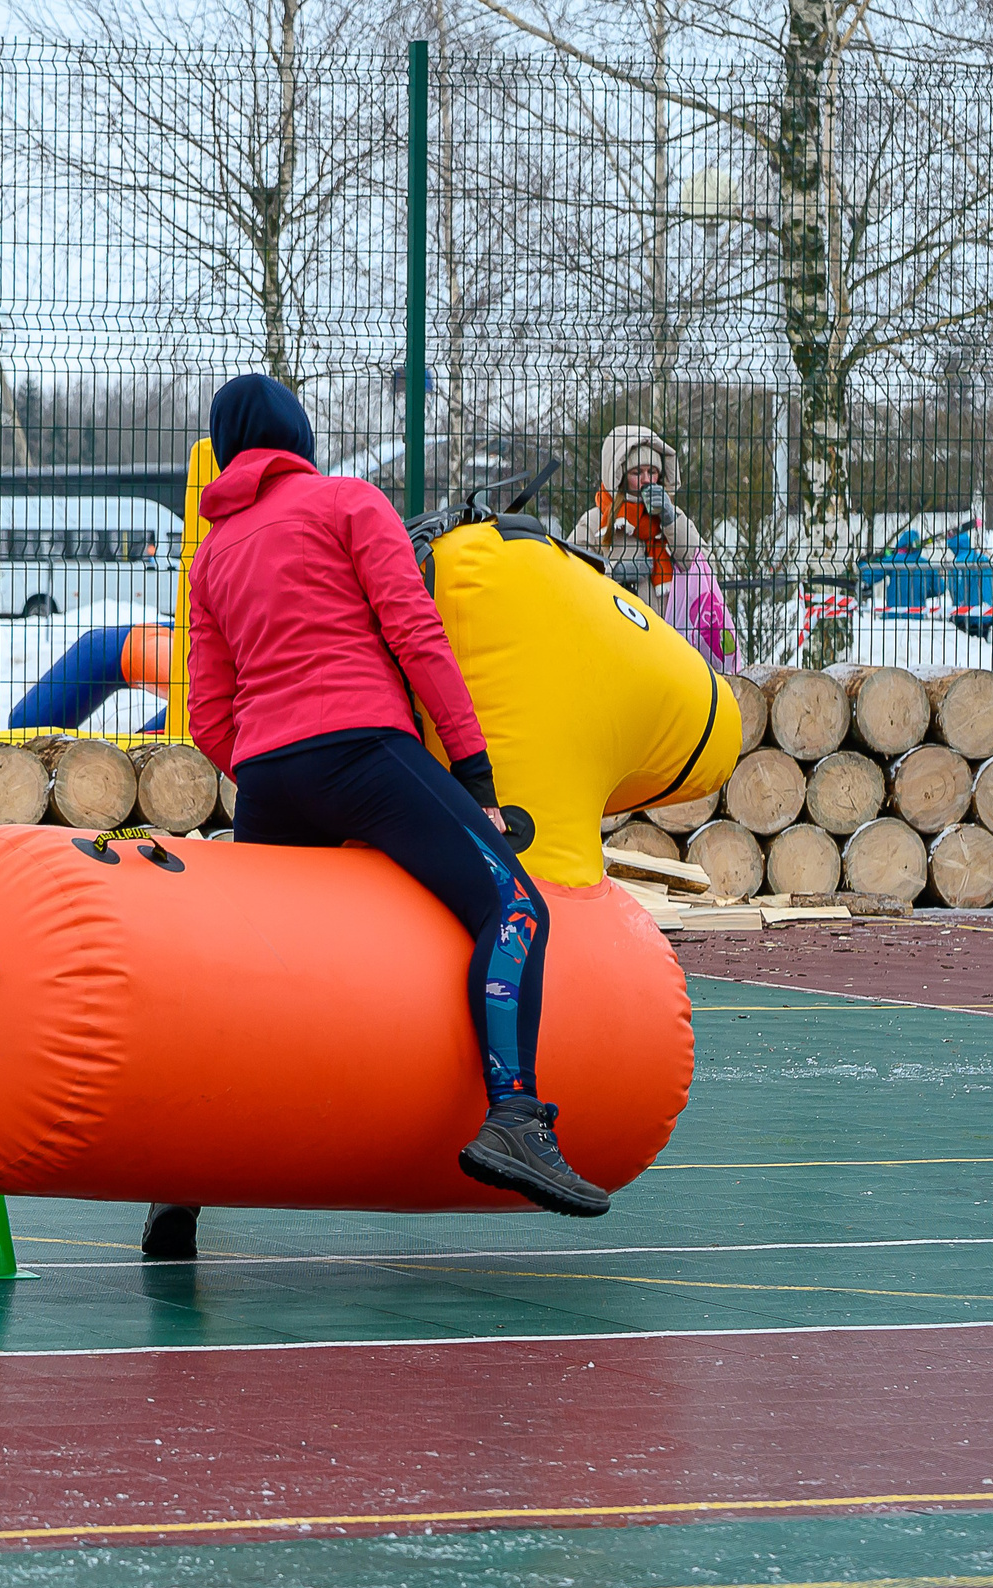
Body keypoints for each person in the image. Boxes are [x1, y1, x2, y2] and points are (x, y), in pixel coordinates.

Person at [144, 373, 605, 1262]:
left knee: (263, 981)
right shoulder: (350, 502)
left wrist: (273, 768)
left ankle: (183, 1175)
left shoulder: (213, 556)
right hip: (365, 748)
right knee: (514, 911)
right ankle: (513, 1114)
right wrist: (472, 777)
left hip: (273, 777)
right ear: (299, 437)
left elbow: (208, 716)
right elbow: (416, 635)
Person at [565, 423, 736, 668]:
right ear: (620, 475)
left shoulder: (672, 515)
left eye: (652, 472)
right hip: (614, 644)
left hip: (670, 647)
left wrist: (669, 519)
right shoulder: (595, 521)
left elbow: (699, 563)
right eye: (637, 472)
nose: (647, 480)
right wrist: (616, 573)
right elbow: (570, 577)